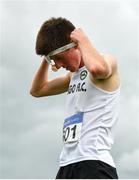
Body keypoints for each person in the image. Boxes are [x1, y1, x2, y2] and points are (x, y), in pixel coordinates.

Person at [30, 17, 120, 179]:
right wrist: (47, 57)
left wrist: (83, 40)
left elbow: (97, 69)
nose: (58, 65)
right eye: (53, 60)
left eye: (59, 58)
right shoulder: (72, 77)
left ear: (73, 45)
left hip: (94, 163)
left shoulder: (107, 61)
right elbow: (37, 90)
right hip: (67, 165)